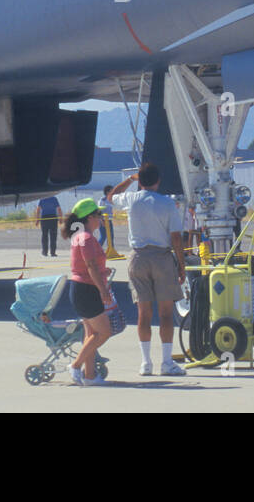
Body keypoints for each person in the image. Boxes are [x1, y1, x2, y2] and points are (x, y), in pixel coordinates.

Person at [108, 163, 188, 377]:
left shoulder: (132, 200)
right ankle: (167, 361)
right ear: (158, 181)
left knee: (144, 313)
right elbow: (176, 237)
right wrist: (181, 265)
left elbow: (112, 196)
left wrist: (130, 180)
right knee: (165, 314)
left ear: (141, 181)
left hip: (138, 257)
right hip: (162, 257)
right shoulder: (167, 203)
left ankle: (145, 362)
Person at [62, 198, 113, 385]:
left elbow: (88, 265)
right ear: (89, 217)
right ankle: (75, 365)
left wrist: (103, 272)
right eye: (98, 215)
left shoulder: (81, 237)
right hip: (86, 289)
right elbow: (90, 265)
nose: (100, 218)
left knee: (91, 334)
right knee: (104, 332)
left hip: (82, 288)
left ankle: (90, 375)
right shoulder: (86, 238)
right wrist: (103, 290)